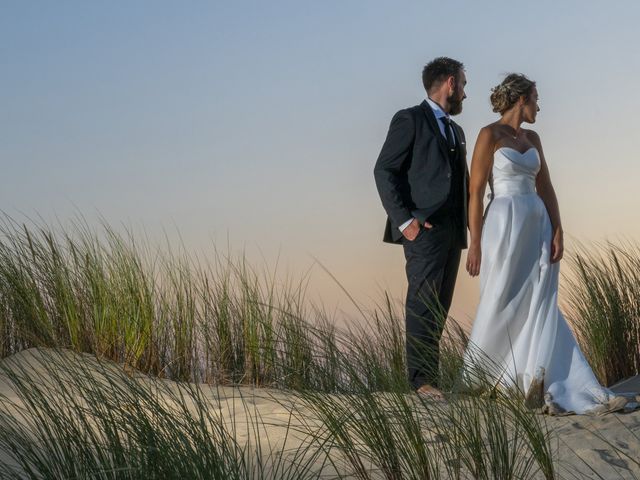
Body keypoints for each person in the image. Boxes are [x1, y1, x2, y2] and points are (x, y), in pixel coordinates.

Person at [461, 73, 638, 414]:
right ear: (521, 100)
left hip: (537, 223)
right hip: (503, 223)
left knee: (541, 301)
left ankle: (547, 380)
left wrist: (558, 228)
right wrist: (476, 243)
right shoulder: (489, 135)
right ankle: (486, 376)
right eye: (536, 99)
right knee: (499, 297)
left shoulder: (533, 138)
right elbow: (475, 192)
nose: (539, 106)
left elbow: (547, 186)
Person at [374, 57, 469, 401]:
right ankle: (420, 381)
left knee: (440, 307)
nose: (465, 93)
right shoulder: (410, 119)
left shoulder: (456, 131)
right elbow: (384, 170)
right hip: (423, 228)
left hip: (453, 230)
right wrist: (405, 220)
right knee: (422, 303)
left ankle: (431, 377)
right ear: (449, 83)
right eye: (464, 84)